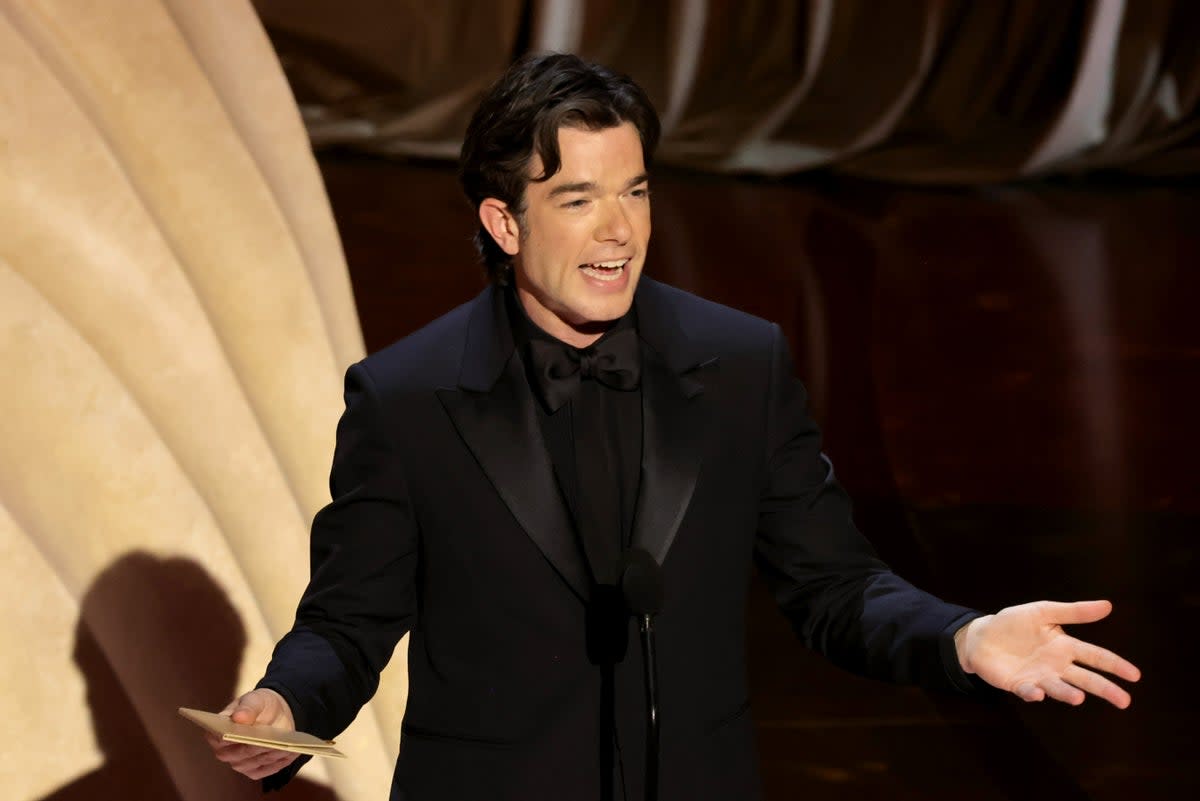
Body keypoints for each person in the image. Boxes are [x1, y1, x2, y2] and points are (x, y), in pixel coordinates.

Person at [205, 53, 1140, 800]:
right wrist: (286, 702)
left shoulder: (740, 364)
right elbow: (349, 618)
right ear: (504, 221)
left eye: (636, 191)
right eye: (578, 200)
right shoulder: (406, 397)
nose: (618, 232)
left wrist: (962, 637)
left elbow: (834, 586)